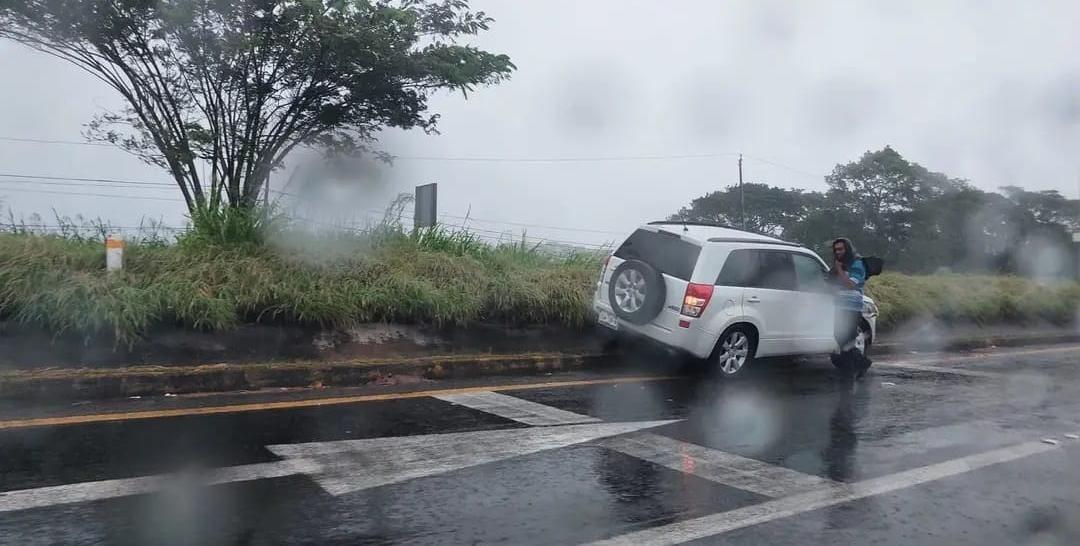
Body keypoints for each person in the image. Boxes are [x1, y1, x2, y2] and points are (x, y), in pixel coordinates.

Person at [831, 237, 871, 378]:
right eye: (836, 250)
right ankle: (859, 363)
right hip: (840, 305)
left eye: (841, 249)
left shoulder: (857, 264)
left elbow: (850, 284)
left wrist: (839, 270)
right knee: (840, 336)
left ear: (847, 249)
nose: (838, 252)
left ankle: (851, 368)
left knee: (846, 338)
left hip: (852, 307)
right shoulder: (841, 264)